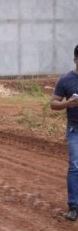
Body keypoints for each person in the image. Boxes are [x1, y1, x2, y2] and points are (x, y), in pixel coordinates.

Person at [50, 44, 78, 221]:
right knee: (75, 166)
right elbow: (53, 104)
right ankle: (73, 206)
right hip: (75, 130)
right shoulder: (65, 80)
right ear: (76, 60)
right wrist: (67, 104)